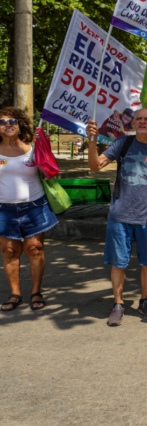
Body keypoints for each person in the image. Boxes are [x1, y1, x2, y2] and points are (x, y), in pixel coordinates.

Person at [87, 109, 147, 326]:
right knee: (118, 262)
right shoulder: (122, 143)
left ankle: (144, 301)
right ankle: (118, 303)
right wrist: (92, 141)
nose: (142, 121)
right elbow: (94, 166)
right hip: (120, 215)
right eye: (139, 119)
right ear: (133, 124)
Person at [0, 108, 58, 311]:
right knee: (9, 251)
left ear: (20, 124)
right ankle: (15, 294)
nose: (8, 124)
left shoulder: (33, 147)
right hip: (3, 210)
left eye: (12, 120)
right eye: (2, 121)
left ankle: (36, 292)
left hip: (35, 206)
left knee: (34, 249)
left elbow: (52, 171)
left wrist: (44, 148)